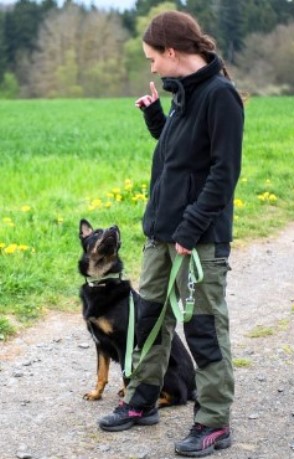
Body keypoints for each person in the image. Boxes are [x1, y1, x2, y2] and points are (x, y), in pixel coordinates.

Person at [98, 10, 244, 458]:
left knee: (202, 326)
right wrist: (156, 119)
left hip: (196, 239)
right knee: (150, 321)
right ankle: (143, 402)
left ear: (173, 52)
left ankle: (214, 420)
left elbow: (223, 174)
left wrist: (190, 228)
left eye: (151, 58)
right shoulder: (184, 94)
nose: (152, 67)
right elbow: (180, 158)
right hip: (162, 235)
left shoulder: (220, 96)